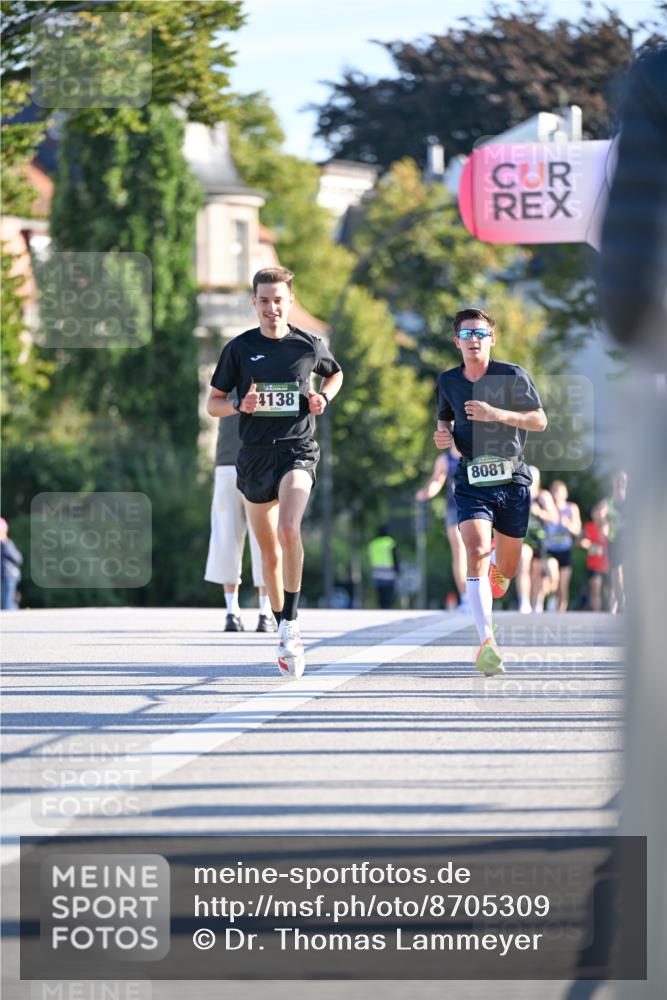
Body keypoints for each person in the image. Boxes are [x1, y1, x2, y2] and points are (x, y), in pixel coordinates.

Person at [206, 266, 343, 678]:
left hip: (297, 451)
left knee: (289, 529)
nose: (271, 308)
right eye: (264, 301)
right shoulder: (239, 349)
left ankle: (292, 622)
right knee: (269, 552)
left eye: (278, 300)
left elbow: (334, 373)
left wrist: (323, 397)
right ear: (255, 303)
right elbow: (213, 403)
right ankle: (282, 621)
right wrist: (238, 406)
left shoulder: (307, 344)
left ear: (290, 301)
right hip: (254, 457)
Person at [434, 307, 547, 675]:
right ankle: (486, 641)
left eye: (479, 334)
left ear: (491, 339)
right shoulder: (448, 380)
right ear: (457, 342)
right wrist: (442, 435)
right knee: (477, 548)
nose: (473, 341)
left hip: (512, 479)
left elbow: (539, 420)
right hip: (472, 480)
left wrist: (496, 414)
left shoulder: (512, 375)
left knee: (507, 569)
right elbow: (444, 419)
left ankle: (499, 573)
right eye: (466, 335)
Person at [204, 400, 276, 633]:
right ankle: (263, 612)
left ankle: (234, 612)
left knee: (229, 536)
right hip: (259, 461)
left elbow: (214, 402)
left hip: (232, 460)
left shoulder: (228, 366)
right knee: (264, 538)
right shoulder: (272, 366)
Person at [415, 444, 468, 611]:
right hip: (454, 509)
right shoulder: (444, 459)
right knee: (459, 551)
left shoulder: (474, 449)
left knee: (478, 549)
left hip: (477, 506)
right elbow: (437, 481)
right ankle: (466, 597)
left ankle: (482, 591)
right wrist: (425, 493)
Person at [514, 466, 558, 614]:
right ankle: (524, 601)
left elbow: (554, 518)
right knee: (524, 562)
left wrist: (539, 512)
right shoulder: (519, 495)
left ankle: (537, 601)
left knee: (537, 573)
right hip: (524, 538)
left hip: (540, 539)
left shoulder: (543, 496)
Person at [543, 480, 582, 612]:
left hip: (565, 550)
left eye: (560, 492)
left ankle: (561, 613)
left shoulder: (571, 508)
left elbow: (577, 530)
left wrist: (568, 525)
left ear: (566, 493)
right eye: (555, 492)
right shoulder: (548, 508)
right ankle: (551, 600)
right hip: (550, 549)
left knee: (563, 585)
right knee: (553, 577)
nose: (557, 495)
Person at [579, 499, 610, 612]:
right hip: (594, 563)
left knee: (609, 590)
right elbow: (582, 542)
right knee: (595, 587)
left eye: (602, 511)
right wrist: (593, 547)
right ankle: (596, 613)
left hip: (609, 563)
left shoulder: (609, 527)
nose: (600, 513)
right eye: (598, 511)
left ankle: (612, 611)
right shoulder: (589, 526)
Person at [606, 469, 627, 614]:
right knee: (617, 573)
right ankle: (620, 603)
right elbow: (600, 517)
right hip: (615, 541)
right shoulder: (608, 502)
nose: (620, 483)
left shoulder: (633, 500)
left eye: (623, 480)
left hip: (630, 541)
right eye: (617, 480)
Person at [368, 526, 399, 609]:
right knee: (389, 593)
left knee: (380, 593)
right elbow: (395, 556)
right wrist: (397, 569)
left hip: (377, 572)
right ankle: (388, 608)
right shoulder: (390, 542)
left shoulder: (373, 544)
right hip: (389, 572)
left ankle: (382, 607)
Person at [1, 517, 23, 611]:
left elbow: (18, 559)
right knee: (3, 602)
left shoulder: (7, 544)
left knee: (7, 601)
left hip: (8, 576)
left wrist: (4, 545)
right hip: (3, 577)